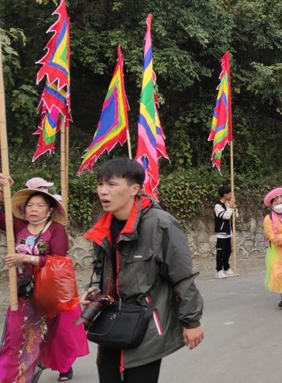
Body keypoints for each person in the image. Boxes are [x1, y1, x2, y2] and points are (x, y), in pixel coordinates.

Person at [81, 158, 204, 383]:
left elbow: (183, 276)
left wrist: (191, 321)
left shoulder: (160, 224)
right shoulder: (103, 225)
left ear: (134, 189)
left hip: (145, 323)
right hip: (110, 321)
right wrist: (94, 291)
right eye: (100, 184)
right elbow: (103, 269)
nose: (103, 191)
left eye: (111, 184)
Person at [0, 175, 88, 383]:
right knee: (14, 337)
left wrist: (26, 257)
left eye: (40, 205)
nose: (34, 209)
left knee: (52, 336)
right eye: (30, 205)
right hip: (21, 292)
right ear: (23, 209)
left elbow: (59, 260)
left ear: (49, 210)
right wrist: (3, 191)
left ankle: (59, 367)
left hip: (47, 294)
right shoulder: (17, 225)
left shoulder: (56, 230)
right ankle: (10, 377)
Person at [213, 185, 237, 279]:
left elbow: (234, 216)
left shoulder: (228, 204)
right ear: (225, 194)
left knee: (228, 251)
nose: (231, 195)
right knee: (220, 252)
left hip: (228, 231)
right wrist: (230, 207)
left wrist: (234, 208)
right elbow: (225, 216)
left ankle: (226, 268)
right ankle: (219, 270)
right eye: (229, 193)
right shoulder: (218, 205)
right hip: (221, 232)